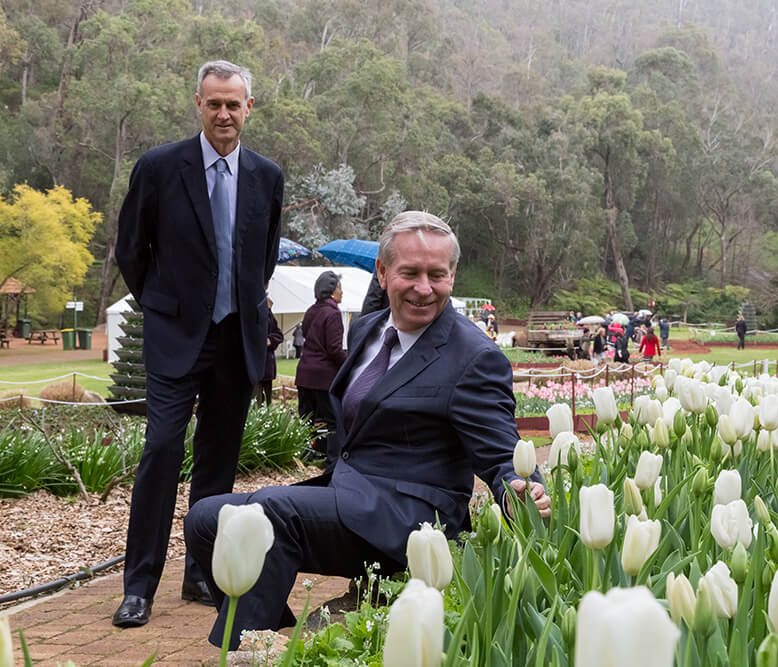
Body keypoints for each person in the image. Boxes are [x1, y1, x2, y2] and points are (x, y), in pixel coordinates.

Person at [184, 212, 551, 649]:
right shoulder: (368, 329)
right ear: (382, 271)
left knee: (269, 510)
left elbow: (500, 452)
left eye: (437, 275)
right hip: (349, 493)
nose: (424, 288)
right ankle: (270, 628)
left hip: (408, 520)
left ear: (452, 275)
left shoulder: (473, 357)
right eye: (409, 273)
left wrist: (520, 487)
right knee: (205, 518)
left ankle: (239, 649)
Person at [112, 60, 283, 628]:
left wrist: (248, 315)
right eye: (214, 103)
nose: (224, 113)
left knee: (217, 464)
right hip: (175, 337)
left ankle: (202, 574)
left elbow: (263, 259)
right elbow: (132, 250)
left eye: (234, 104)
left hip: (235, 339)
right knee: (161, 450)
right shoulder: (160, 168)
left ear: (249, 107)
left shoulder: (267, 176)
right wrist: (165, 304)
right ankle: (139, 585)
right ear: (198, 103)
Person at [294, 272, 348, 460]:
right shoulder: (332, 313)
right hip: (323, 377)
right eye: (340, 288)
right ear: (332, 291)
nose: (342, 292)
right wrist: (348, 364)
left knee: (307, 419)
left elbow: (309, 337)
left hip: (304, 372)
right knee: (332, 421)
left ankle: (307, 455)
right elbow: (334, 349)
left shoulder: (311, 310)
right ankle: (332, 460)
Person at [256, 298, 283, 405]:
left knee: (268, 401)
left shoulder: (269, 316)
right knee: (255, 400)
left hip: (267, 364)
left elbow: (278, 335)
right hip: (255, 365)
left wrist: (270, 340)